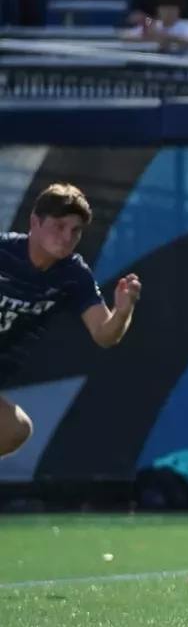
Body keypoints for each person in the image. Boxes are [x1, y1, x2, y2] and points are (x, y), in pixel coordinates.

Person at [0, 185, 142, 460]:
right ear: (35, 222)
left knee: (13, 430)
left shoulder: (73, 276)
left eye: (75, 231)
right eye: (59, 225)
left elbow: (105, 335)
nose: (67, 237)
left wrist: (123, 311)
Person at [119, 0, 188, 51]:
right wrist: (147, 37)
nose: (168, 11)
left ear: (179, 10)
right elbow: (125, 36)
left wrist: (162, 37)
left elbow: (187, 40)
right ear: (158, 9)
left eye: (172, 7)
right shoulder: (153, 24)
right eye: (164, 7)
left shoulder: (187, 25)